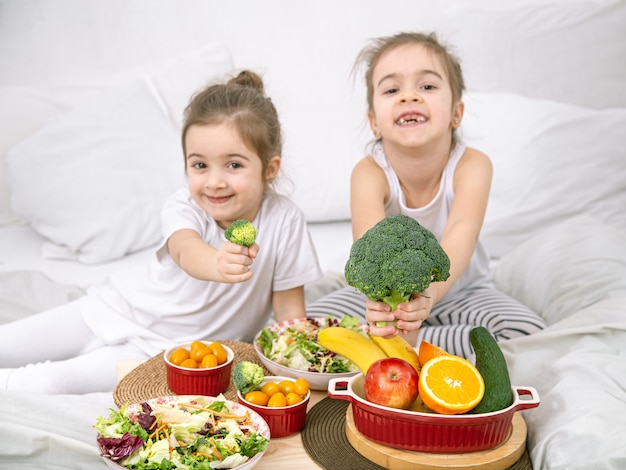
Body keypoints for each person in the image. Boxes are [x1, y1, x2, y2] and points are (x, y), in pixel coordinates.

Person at [0, 70, 322, 394]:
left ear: (270, 169)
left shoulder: (285, 220)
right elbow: (185, 249)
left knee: (46, 382)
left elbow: (289, 311)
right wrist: (217, 263)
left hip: (163, 353)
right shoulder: (184, 206)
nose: (214, 181)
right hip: (116, 307)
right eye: (199, 165)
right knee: (7, 344)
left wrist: (299, 364)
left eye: (234, 165)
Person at [307, 32, 545, 357]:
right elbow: (369, 242)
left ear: (456, 113)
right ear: (374, 122)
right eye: (392, 89)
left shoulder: (472, 165)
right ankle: (419, 342)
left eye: (427, 86)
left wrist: (428, 297)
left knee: (525, 332)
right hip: (390, 299)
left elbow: (463, 229)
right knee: (312, 326)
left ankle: (416, 345)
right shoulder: (369, 172)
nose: (409, 97)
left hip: (464, 291)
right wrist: (381, 305)